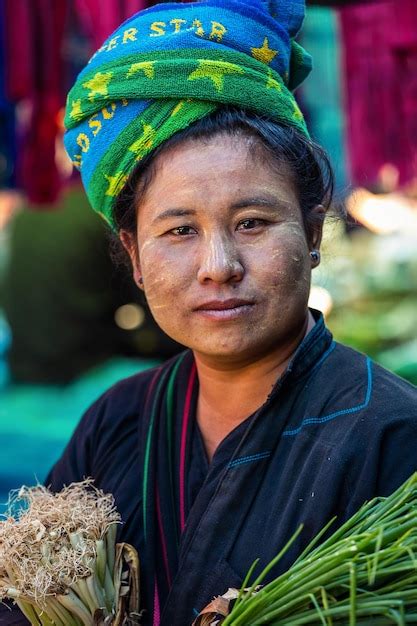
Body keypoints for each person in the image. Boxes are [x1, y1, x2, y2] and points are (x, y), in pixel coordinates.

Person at [2, 1, 416, 625]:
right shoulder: (119, 420)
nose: (218, 265)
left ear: (311, 234)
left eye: (252, 223)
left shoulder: (391, 435)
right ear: (135, 258)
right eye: (178, 232)